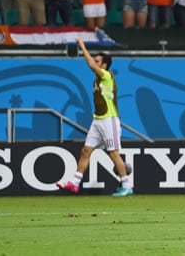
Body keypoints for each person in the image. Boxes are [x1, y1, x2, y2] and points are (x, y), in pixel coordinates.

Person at [57, 38, 133, 197]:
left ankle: (127, 186)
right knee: (86, 151)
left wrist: (82, 46)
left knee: (113, 153)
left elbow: (91, 65)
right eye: (95, 60)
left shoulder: (106, 75)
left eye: (98, 60)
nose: (95, 62)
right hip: (97, 120)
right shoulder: (98, 79)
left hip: (109, 119)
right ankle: (74, 183)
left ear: (104, 65)